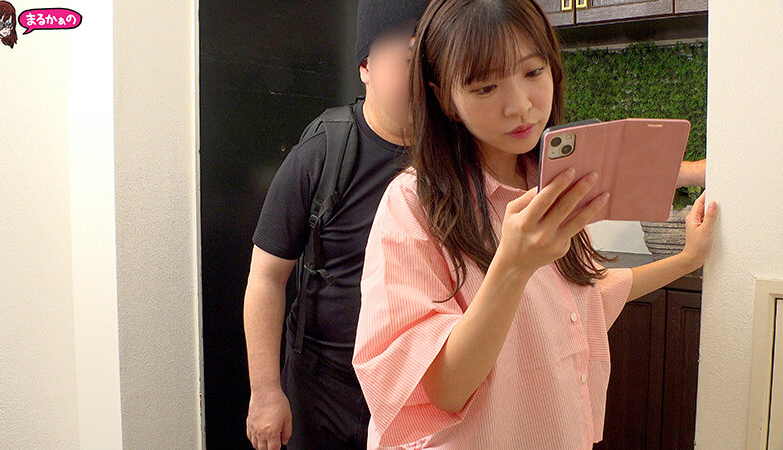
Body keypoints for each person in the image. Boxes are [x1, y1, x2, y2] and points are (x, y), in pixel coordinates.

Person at [351, 0, 717, 448]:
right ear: (445, 98)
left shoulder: (548, 183)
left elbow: (583, 300)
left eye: (532, 71)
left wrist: (687, 259)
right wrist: (513, 265)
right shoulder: (413, 204)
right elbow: (445, 390)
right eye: (485, 87)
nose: (520, 105)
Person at [244, 1, 430, 449]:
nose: (423, 79)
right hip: (323, 386)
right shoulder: (323, 152)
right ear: (366, 67)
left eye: (434, 62)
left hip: (416, 385)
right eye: (408, 61)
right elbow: (267, 278)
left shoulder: (453, 156)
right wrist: (265, 393)